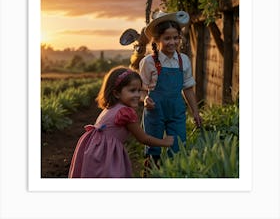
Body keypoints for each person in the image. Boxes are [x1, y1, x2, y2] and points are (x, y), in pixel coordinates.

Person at [68, 66, 174, 178]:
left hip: (94, 151)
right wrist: (164, 142)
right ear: (117, 93)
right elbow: (143, 138)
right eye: (132, 91)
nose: (138, 95)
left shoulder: (110, 108)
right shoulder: (125, 113)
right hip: (107, 155)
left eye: (139, 90)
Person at [139, 11, 202, 164]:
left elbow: (187, 88)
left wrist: (195, 112)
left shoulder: (183, 60)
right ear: (157, 40)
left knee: (178, 149)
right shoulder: (148, 62)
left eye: (176, 38)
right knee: (153, 153)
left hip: (176, 111)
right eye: (167, 38)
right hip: (155, 111)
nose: (172, 42)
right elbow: (141, 89)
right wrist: (145, 99)